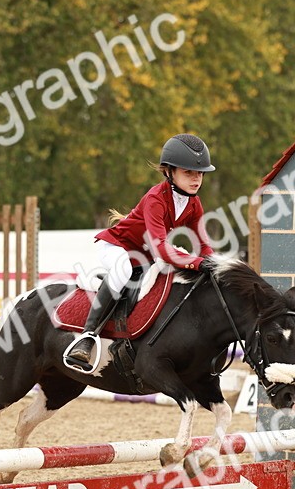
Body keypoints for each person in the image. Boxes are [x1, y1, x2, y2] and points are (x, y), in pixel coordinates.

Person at [62, 134, 216, 373]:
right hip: (117, 246)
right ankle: (86, 337)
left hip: (144, 255)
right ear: (169, 172)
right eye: (189, 173)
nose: (197, 179)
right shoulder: (156, 198)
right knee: (123, 268)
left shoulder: (194, 203)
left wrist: (213, 264)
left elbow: (204, 245)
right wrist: (196, 263)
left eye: (200, 173)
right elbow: (163, 250)